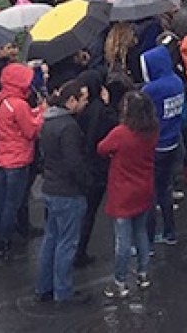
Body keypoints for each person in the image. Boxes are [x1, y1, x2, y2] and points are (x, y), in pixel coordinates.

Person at [34, 80, 92, 306]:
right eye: (83, 98)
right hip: (68, 192)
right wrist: (87, 182)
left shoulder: (48, 122)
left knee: (51, 239)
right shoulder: (69, 127)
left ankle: (43, 287)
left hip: (50, 187)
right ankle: (63, 292)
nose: (86, 102)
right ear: (71, 101)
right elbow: (74, 162)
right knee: (67, 243)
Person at [97, 91, 158, 298]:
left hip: (123, 192)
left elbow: (102, 149)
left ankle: (120, 281)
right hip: (144, 188)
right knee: (141, 233)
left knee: (122, 241)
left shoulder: (120, 133)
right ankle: (143, 274)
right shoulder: (152, 130)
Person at [0, 62, 43, 264]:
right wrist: (42, 115)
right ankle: (4, 244)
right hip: (18, 160)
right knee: (12, 205)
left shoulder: (2, 100)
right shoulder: (19, 105)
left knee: (0, 203)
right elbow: (31, 131)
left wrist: (36, 112)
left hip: (2, 158)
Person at [141, 45, 184, 246]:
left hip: (154, 146)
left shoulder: (151, 89)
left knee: (149, 193)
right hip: (173, 142)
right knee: (165, 189)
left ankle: (147, 240)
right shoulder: (176, 81)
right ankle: (170, 232)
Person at [73, 70, 116, 269]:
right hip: (98, 168)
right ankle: (79, 251)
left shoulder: (80, 110)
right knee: (89, 213)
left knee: (81, 212)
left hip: (82, 165)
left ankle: (75, 249)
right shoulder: (102, 111)